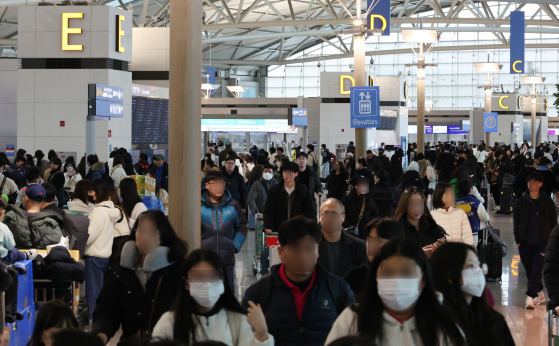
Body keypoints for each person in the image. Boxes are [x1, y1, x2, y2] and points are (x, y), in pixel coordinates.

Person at [325, 238, 466, 346]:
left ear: (423, 279)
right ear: (376, 279)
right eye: (387, 273)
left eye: (406, 273)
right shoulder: (353, 318)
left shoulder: (443, 323)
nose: (397, 281)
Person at [242, 216, 355, 346]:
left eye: (309, 248)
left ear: (317, 251)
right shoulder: (259, 293)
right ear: (280, 252)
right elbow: (243, 339)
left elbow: (353, 337)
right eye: (296, 249)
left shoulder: (338, 289)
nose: (303, 256)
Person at [93, 210, 187, 343]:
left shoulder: (177, 271)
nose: (145, 237)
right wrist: (101, 333)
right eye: (141, 230)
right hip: (132, 342)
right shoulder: (120, 272)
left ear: (163, 236)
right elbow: (107, 310)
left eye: (153, 232)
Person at [152, 249, 273, 345]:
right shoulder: (169, 322)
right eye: (199, 278)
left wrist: (262, 334)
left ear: (222, 280)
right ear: (186, 283)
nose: (207, 284)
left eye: (213, 278)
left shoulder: (237, 320)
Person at [430, 243, 514, 346]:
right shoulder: (433, 324)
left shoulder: (494, 321)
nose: (478, 271)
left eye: (479, 265)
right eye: (471, 265)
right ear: (449, 276)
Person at [513, 171, 557, 309]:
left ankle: (530, 297)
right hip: (525, 242)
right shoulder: (521, 202)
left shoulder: (548, 202)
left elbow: (553, 223)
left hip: (543, 243)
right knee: (530, 271)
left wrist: (552, 242)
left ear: (540, 184)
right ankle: (540, 293)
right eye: (529, 182)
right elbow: (516, 222)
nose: (531, 185)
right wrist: (519, 241)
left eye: (534, 182)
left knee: (537, 270)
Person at [84, 179, 124, 321]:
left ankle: (94, 322)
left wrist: (78, 244)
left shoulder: (98, 212)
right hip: (104, 256)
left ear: (98, 193)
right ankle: (101, 319)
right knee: (100, 291)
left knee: (92, 292)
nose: (90, 194)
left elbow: (90, 235)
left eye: (92, 191)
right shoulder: (109, 210)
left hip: (94, 256)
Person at [201, 171, 248, 292]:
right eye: (215, 183)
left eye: (221, 183)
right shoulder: (198, 205)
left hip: (226, 259)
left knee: (228, 295)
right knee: (203, 297)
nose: (219, 186)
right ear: (206, 185)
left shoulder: (232, 205)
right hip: (203, 260)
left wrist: (234, 245)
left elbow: (242, 225)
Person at [343, 219, 405, 300]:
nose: (373, 246)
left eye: (380, 241)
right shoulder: (353, 277)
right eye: (370, 240)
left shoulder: (406, 277)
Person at [3, 184, 63, 249]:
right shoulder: (52, 225)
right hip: (41, 258)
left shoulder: (9, 218)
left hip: (15, 258)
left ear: (26, 198)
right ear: (42, 200)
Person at [318, 198, 367, 277]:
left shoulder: (358, 246)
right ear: (320, 216)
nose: (330, 218)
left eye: (334, 214)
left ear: (343, 217)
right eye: (326, 213)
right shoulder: (311, 244)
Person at [394, 187, 446, 258]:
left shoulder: (433, 228)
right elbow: (394, 258)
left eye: (419, 203)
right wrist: (420, 255)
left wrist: (441, 249)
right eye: (412, 204)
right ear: (405, 205)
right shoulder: (397, 230)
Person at [263, 162, 316, 233]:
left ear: (296, 174)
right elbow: (269, 210)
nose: (286, 175)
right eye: (285, 172)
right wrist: (269, 227)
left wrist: (310, 227)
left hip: (298, 231)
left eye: (289, 173)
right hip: (279, 229)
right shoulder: (274, 190)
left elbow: (309, 210)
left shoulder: (303, 190)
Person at [0, 197, 37, 263]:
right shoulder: (2, 227)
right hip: (3, 259)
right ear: (1, 212)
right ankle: (26, 255)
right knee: (14, 252)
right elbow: (10, 246)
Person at [455, 180, 490, 246]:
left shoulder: (454, 203)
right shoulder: (476, 202)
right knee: (471, 254)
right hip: (472, 234)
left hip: (457, 234)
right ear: (470, 190)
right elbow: (485, 218)